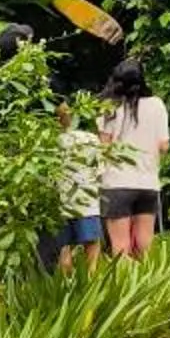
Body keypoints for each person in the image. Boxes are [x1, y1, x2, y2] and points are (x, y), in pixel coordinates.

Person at [97, 55, 169, 258]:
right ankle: (150, 286)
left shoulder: (108, 107)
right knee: (145, 243)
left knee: (121, 246)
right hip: (148, 183)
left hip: (117, 183)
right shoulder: (157, 105)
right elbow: (164, 146)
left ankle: (126, 287)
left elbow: (105, 147)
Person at [56, 94, 105, 274]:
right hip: (87, 202)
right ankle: (91, 288)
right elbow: (101, 171)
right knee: (92, 248)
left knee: (64, 249)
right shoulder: (92, 139)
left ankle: (64, 290)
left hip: (63, 203)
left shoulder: (56, 141)